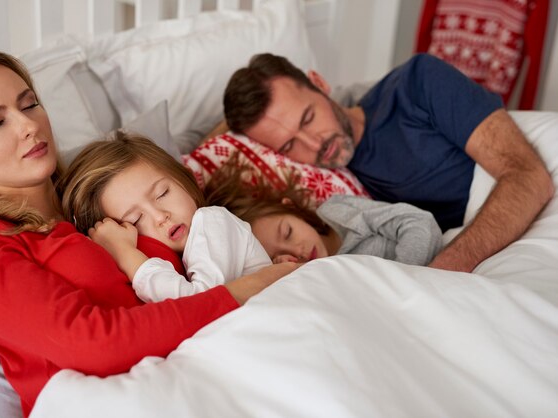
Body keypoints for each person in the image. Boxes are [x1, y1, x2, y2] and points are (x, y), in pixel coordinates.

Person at [0, 49, 296, 417]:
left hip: (215, 370)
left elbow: (198, 205)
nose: (29, 126)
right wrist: (247, 289)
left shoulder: (101, 198)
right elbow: (91, 345)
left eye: (29, 105)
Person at [221, 53, 554, 272]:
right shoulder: (338, 193)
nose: (315, 144)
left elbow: (528, 175)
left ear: (321, 85)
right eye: (290, 144)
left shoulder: (417, 83)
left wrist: (444, 268)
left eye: (308, 118)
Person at [60, 131, 272, 303]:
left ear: (182, 178)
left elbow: (200, 305)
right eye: (135, 220)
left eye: (162, 193)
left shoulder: (213, 222)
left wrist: (126, 255)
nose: (161, 216)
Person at [205, 160, 443, 266]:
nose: (298, 251)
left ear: (292, 208)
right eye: (277, 256)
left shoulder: (338, 212)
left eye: (288, 233)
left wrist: (404, 280)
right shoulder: (305, 277)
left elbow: (419, 222)